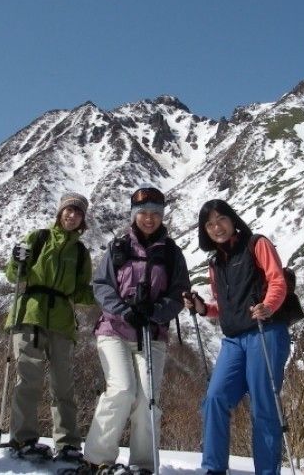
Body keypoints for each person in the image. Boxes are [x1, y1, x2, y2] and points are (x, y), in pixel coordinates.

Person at [83, 186, 190, 474]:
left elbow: (180, 291)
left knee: (148, 400)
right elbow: (102, 286)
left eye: (155, 213)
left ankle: (143, 465)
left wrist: (156, 313)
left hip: (151, 334)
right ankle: (96, 459)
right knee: (122, 390)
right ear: (133, 215)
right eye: (143, 213)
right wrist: (125, 310)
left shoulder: (170, 253)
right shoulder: (118, 247)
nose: (149, 218)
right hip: (114, 330)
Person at [183, 199, 291, 475]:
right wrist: (203, 308)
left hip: (264, 333)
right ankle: (213, 469)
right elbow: (225, 307)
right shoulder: (215, 262)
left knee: (263, 407)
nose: (216, 227)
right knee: (215, 399)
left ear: (233, 220)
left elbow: (277, 281)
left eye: (221, 220)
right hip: (234, 340)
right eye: (209, 224)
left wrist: (268, 306)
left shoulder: (257, 244)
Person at [4, 192, 95, 462]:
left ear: (82, 219)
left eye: (78, 212)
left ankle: (67, 443)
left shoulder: (80, 253)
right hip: (30, 313)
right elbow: (13, 275)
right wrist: (16, 259)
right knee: (28, 380)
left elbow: (80, 292)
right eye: (68, 210)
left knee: (63, 385)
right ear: (60, 212)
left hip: (62, 321)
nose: (72, 215)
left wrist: (107, 294)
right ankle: (23, 439)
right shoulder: (38, 238)